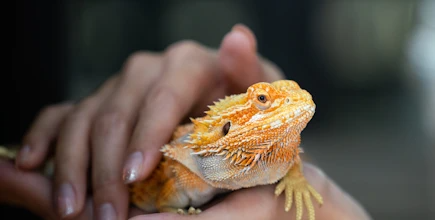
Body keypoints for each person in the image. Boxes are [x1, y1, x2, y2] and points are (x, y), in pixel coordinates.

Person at [0, 24, 371, 220]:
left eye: (290, 93)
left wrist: (299, 182)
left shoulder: (279, 153)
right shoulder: (190, 169)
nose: (296, 103)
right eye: (263, 101)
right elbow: (166, 199)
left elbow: (290, 160)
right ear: (229, 127)